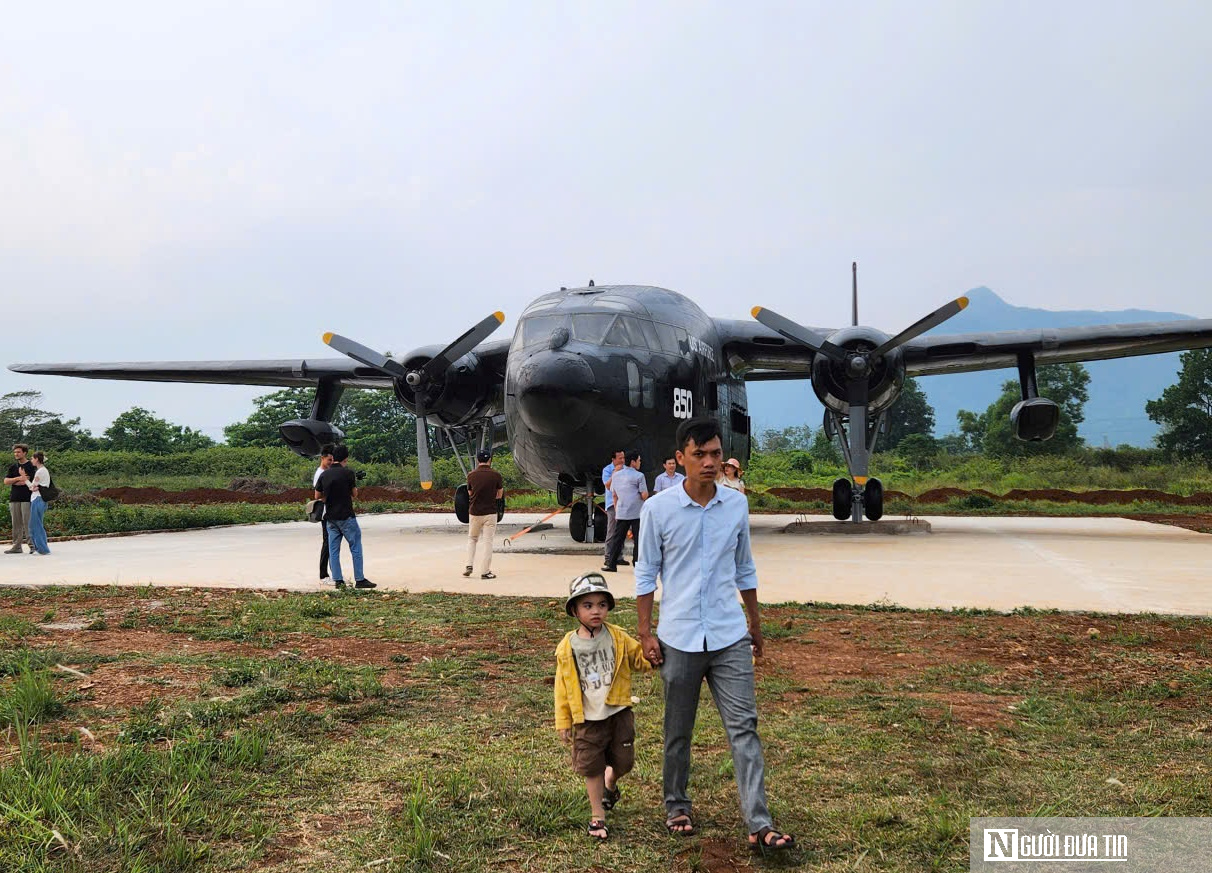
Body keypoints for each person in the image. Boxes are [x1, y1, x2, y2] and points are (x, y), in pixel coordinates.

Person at [634, 417, 795, 853]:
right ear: (680, 457)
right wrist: (645, 633)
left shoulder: (735, 506)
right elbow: (646, 572)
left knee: (744, 728)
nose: (709, 462)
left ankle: (759, 823)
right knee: (678, 730)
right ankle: (677, 805)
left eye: (715, 454)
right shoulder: (658, 510)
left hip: (729, 635)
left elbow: (745, 568)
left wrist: (755, 625)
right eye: (700, 454)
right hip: (679, 636)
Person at [554, 573, 652, 841]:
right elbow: (562, 688)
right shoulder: (567, 647)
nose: (595, 611)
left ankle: (612, 781)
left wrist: (655, 656)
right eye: (587, 605)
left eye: (601, 604)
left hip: (618, 712)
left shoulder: (618, 637)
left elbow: (640, 659)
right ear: (574, 610)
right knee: (591, 767)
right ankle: (597, 815)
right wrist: (563, 720)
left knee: (624, 762)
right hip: (587, 719)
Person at [314, 445, 375, 589]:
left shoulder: (324, 474)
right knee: (355, 547)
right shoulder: (348, 473)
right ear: (345, 459)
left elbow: (317, 495)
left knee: (334, 550)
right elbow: (354, 494)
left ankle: (338, 580)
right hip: (346, 516)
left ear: (333, 458)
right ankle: (359, 579)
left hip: (330, 518)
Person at [602, 450, 647, 572]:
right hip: (636, 512)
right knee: (638, 539)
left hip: (622, 511)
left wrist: (617, 510)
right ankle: (637, 563)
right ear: (633, 462)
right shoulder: (639, 476)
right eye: (639, 460)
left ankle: (611, 564)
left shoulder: (616, 475)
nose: (640, 463)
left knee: (618, 538)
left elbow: (614, 495)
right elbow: (644, 495)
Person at [463, 448, 504, 579]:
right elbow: (499, 495)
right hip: (490, 512)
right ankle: (485, 571)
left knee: (472, 539)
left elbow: (470, 493)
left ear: (477, 460)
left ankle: (469, 565)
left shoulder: (471, 475)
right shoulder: (496, 475)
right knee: (488, 542)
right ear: (489, 460)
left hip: (474, 512)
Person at [4, 444, 36, 554]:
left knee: (28, 522)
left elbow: (27, 481)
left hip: (27, 498)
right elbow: (6, 481)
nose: (16, 454)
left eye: (18, 452)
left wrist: (17, 481)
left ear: (24, 453)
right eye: (15, 452)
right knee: (16, 523)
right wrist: (17, 478)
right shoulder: (13, 467)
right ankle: (17, 546)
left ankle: (32, 545)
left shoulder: (31, 466)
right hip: (14, 498)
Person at [601, 450, 626, 564]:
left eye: (623, 458)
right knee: (612, 531)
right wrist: (615, 473)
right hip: (612, 504)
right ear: (613, 459)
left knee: (622, 531)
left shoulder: (626, 469)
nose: (622, 460)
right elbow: (607, 485)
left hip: (624, 503)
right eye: (620, 458)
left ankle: (619, 556)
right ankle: (608, 556)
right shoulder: (607, 470)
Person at [313, 445, 335, 581]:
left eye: (333, 460)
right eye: (329, 460)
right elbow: (319, 495)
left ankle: (334, 574)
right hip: (325, 513)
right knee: (327, 543)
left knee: (332, 543)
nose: (331, 463)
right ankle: (323, 574)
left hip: (332, 511)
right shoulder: (320, 474)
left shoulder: (328, 472)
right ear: (322, 458)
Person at [25, 451, 52, 556]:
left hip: (38, 499)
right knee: (37, 524)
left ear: (36, 459)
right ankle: (41, 547)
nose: (31, 460)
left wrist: (25, 479)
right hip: (39, 499)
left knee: (35, 525)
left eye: (32, 458)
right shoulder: (43, 471)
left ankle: (42, 548)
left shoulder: (40, 472)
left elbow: (32, 487)